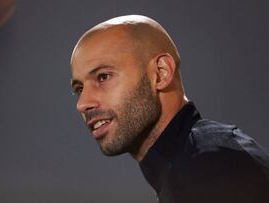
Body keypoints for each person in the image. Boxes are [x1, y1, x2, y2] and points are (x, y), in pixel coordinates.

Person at [70, 15, 269, 203]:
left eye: (103, 77)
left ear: (161, 73)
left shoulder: (212, 168)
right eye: (79, 89)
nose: (83, 103)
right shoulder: (190, 167)